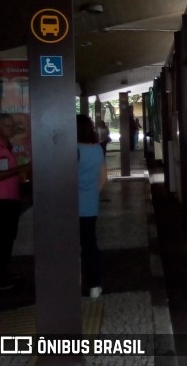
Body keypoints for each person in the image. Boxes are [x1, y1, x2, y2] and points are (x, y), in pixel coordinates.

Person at [0, 113, 30, 290]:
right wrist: (19, 170)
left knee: (8, 237)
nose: (12, 128)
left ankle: (3, 271)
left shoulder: (8, 146)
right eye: (8, 126)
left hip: (11, 198)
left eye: (12, 125)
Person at [77, 114, 108, 299]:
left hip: (69, 206)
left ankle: (72, 281)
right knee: (90, 245)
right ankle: (94, 286)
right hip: (89, 206)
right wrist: (91, 193)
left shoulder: (71, 149)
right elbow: (103, 178)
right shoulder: (97, 149)